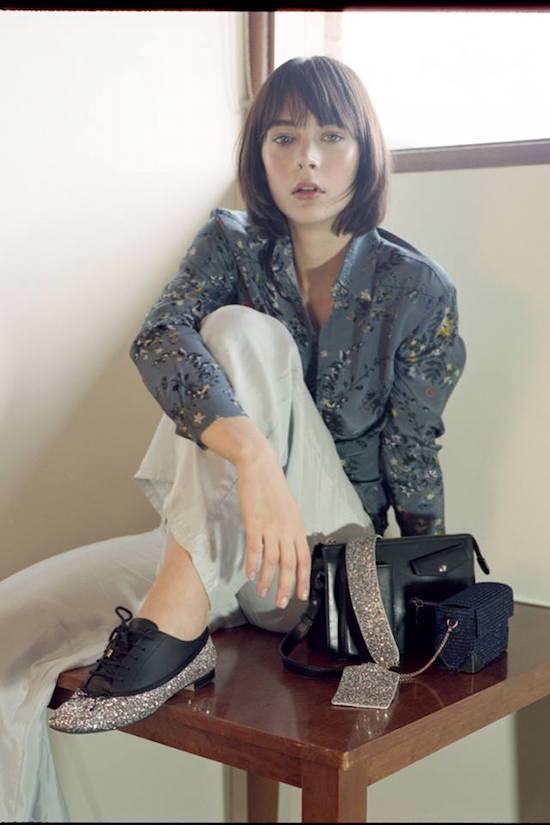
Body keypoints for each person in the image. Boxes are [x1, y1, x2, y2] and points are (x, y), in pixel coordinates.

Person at [1, 56, 466, 819]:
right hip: (216, 545)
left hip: (320, 565)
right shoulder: (230, 242)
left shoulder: (418, 289)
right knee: (8, 625)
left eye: (331, 136)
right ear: (258, 152)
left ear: (365, 152)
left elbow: (413, 453)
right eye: (283, 137)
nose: (307, 158)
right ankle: (176, 618)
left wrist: (429, 589)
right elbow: (157, 339)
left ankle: (175, 630)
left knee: (240, 331)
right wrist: (254, 459)